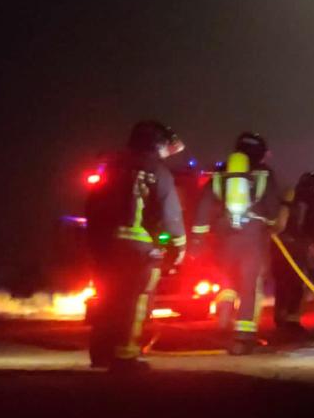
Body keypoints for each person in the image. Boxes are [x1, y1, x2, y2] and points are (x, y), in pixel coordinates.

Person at [85, 120, 187, 372]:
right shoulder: (158, 171)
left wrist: (96, 245)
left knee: (107, 298)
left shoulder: (111, 167)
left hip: (107, 248)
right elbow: (170, 214)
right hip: (140, 249)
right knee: (135, 301)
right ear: (156, 144)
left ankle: (100, 353)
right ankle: (125, 355)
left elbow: (92, 207)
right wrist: (178, 247)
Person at [191, 132, 292, 354]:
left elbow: (204, 204)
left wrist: (197, 237)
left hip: (225, 236)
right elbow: (274, 210)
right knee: (249, 284)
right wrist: (272, 222)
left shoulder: (220, 172)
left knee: (227, 278)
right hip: (253, 235)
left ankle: (225, 311)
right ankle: (243, 337)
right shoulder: (264, 173)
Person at [271, 171, 314, 336]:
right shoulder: (311, 200)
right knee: (298, 283)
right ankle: (292, 320)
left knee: (281, 282)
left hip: (278, 245)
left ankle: (279, 317)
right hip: (297, 247)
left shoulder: (289, 196)